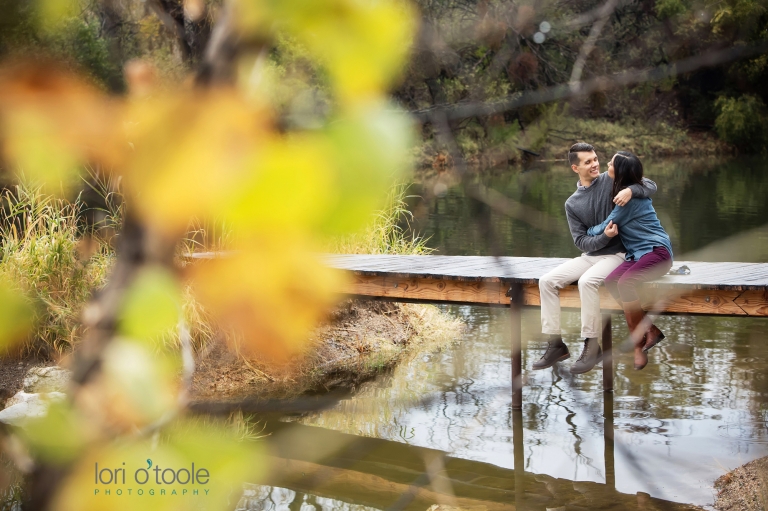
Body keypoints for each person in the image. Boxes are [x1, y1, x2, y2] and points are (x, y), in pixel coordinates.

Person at [532, 143, 657, 375]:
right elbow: (581, 241)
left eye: (596, 159)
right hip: (591, 255)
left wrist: (631, 191)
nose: (595, 164)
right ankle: (555, 344)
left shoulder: (610, 180)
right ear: (575, 168)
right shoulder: (572, 203)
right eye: (588, 162)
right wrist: (603, 237)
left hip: (619, 255)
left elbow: (648, 184)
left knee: (587, 282)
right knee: (546, 281)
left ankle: (591, 346)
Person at [586, 151, 673, 370]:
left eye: (611, 163)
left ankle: (638, 342)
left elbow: (605, 224)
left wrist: (588, 230)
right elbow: (645, 184)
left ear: (620, 171)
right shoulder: (627, 191)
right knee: (611, 281)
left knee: (625, 283)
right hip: (638, 255)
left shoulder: (629, 202)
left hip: (657, 253)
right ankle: (649, 330)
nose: (606, 164)